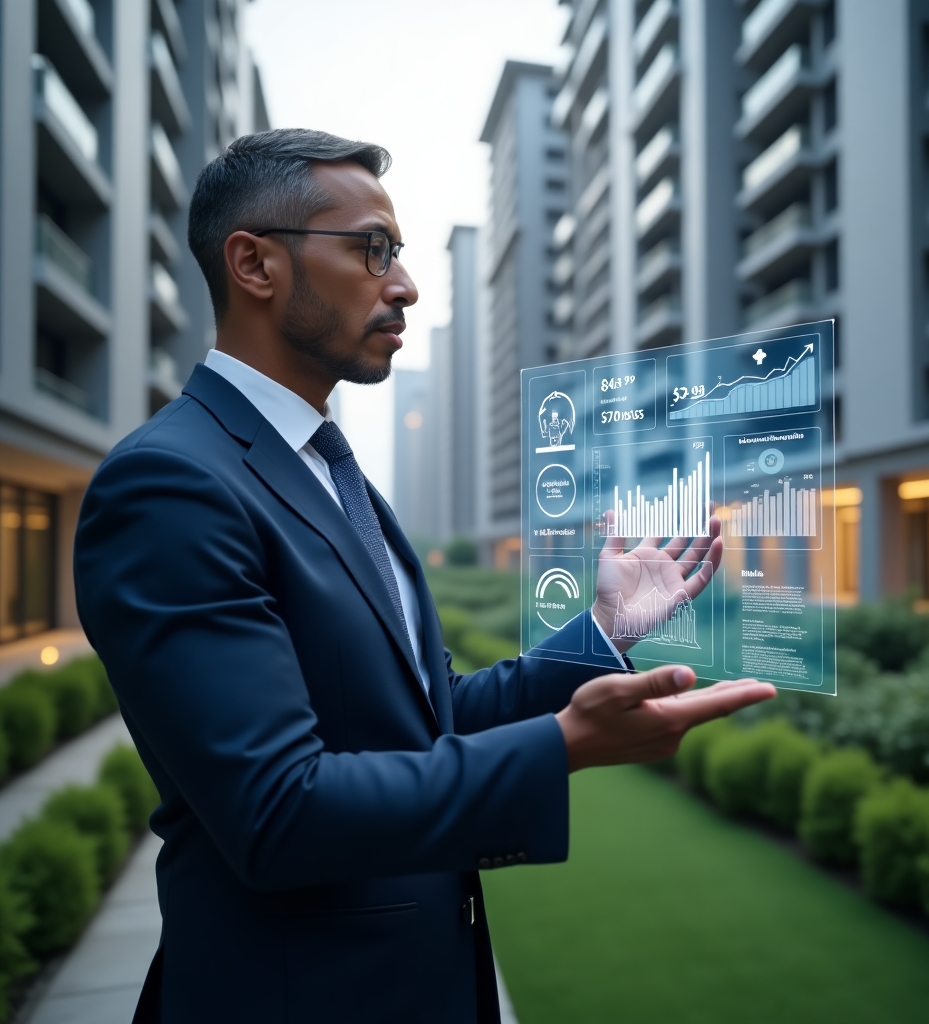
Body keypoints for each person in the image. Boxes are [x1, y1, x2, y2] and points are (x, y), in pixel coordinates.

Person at [73, 129, 775, 1024]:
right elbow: (277, 810)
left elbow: (423, 714)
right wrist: (561, 745)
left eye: (398, 255)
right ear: (253, 264)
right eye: (372, 250)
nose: (403, 284)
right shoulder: (171, 484)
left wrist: (602, 637)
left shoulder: (332, 473)